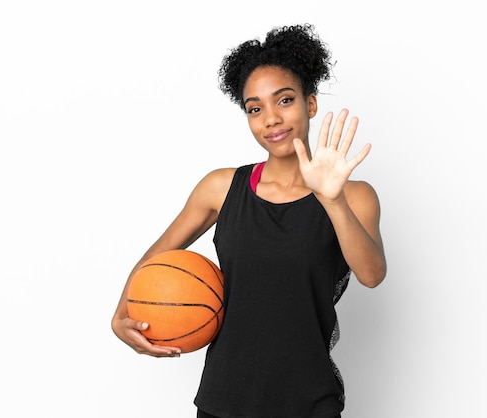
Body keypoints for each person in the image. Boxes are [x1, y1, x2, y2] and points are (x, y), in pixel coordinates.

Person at [111, 23, 387, 418]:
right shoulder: (221, 188)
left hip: (309, 400)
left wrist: (332, 200)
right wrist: (120, 316)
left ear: (310, 104)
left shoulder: (353, 194)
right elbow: (154, 260)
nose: (270, 118)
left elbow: (372, 274)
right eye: (255, 108)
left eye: (285, 100)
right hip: (224, 399)